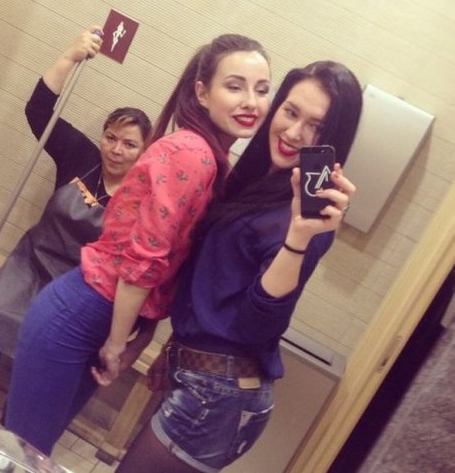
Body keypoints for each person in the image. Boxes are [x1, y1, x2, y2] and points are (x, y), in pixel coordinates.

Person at [4, 33, 271, 455]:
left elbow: (169, 266)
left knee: (31, 452)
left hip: (98, 314)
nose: (250, 102)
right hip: (82, 312)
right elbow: (144, 259)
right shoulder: (192, 153)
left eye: (262, 89)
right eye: (235, 86)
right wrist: (117, 342)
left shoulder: (209, 158)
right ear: (202, 92)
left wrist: (139, 336)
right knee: (20, 452)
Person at [116, 60, 363, 473]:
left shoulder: (307, 223)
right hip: (203, 376)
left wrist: (299, 237)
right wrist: (175, 348)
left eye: (316, 128)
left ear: (333, 141)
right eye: (290, 111)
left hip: (219, 395)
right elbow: (212, 286)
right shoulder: (252, 181)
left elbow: (255, 325)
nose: (294, 133)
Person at [0, 26, 152, 421]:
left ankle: (12, 432)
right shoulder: (80, 155)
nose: (116, 149)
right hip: (29, 265)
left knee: (42, 366)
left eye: (129, 144)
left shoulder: (145, 199)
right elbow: (38, 111)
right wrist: (69, 56)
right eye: (111, 137)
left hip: (77, 289)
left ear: (145, 151)